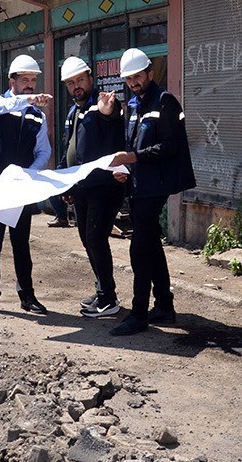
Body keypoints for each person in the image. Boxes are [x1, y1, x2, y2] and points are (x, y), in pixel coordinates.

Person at [109, 48, 196, 336]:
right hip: (138, 184)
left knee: (139, 248)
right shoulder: (134, 105)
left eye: (137, 76)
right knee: (151, 245)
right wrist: (125, 169)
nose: (133, 82)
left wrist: (132, 158)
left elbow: (170, 146)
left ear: (149, 72)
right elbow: (132, 143)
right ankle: (164, 306)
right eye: (128, 78)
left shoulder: (165, 101)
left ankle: (138, 314)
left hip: (155, 186)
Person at [0, 54, 52, 316]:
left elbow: (44, 151)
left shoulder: (37, 117)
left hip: (21, 186)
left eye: (33, 80)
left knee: (21, 243)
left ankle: (27, 296)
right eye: (25, 80)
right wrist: (28, 100)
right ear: (12, 81)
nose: (30, 84)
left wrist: (29, 173)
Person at [56, 57, 126, 319]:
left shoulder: (101, 105)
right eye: (71, 83)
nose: (77, 86)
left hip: (104, 186)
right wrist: (64, 181)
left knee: (96, 239)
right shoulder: (74, 111)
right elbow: (70, 148)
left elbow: (112, 118)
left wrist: (109, 110)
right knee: (87, 240)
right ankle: (102, 291)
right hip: (82, 186)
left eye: (80, 80)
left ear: (90, 79)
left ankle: (109, 299)